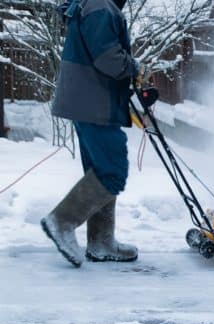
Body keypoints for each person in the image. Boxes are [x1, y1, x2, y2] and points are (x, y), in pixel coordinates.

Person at [41, 0, 145, 267]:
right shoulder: (100, 7)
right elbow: (108, 59)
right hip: (94, 104)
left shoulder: (93, 5)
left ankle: (101, 242)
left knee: (100, 171)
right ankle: (62, 221)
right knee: (112, 171)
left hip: (89, 101)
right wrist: (134, 67)